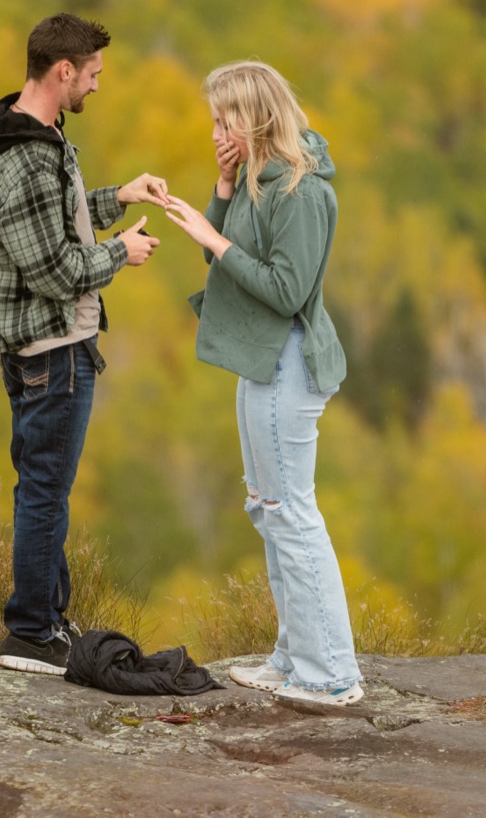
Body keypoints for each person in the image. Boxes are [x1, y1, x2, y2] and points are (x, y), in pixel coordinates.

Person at [0, 13, 168, 675]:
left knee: (46, 484)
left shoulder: (43, 135)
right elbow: (51, 270)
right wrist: (122, 253)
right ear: (63, 71)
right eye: (93, 74)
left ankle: (48, 617)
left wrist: (120, 196)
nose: (97, 86)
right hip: (51, 349)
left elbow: (63, 218)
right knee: (45, 489)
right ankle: (30, 632)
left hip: (62, 345)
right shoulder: (19, 158)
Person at [162, 60, 363, 706]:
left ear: (258, 116)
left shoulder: (301, 191)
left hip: (288, 362)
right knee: (268, 509)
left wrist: (215, 241)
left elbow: (284, 289)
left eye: (227, 119)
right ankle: (292, 656)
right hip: (260, 362)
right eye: (215, 120)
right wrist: (221, 188)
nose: (218, 130)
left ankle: (330, 673)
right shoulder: (256, 179)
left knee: (291, 514)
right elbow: (221, 254)